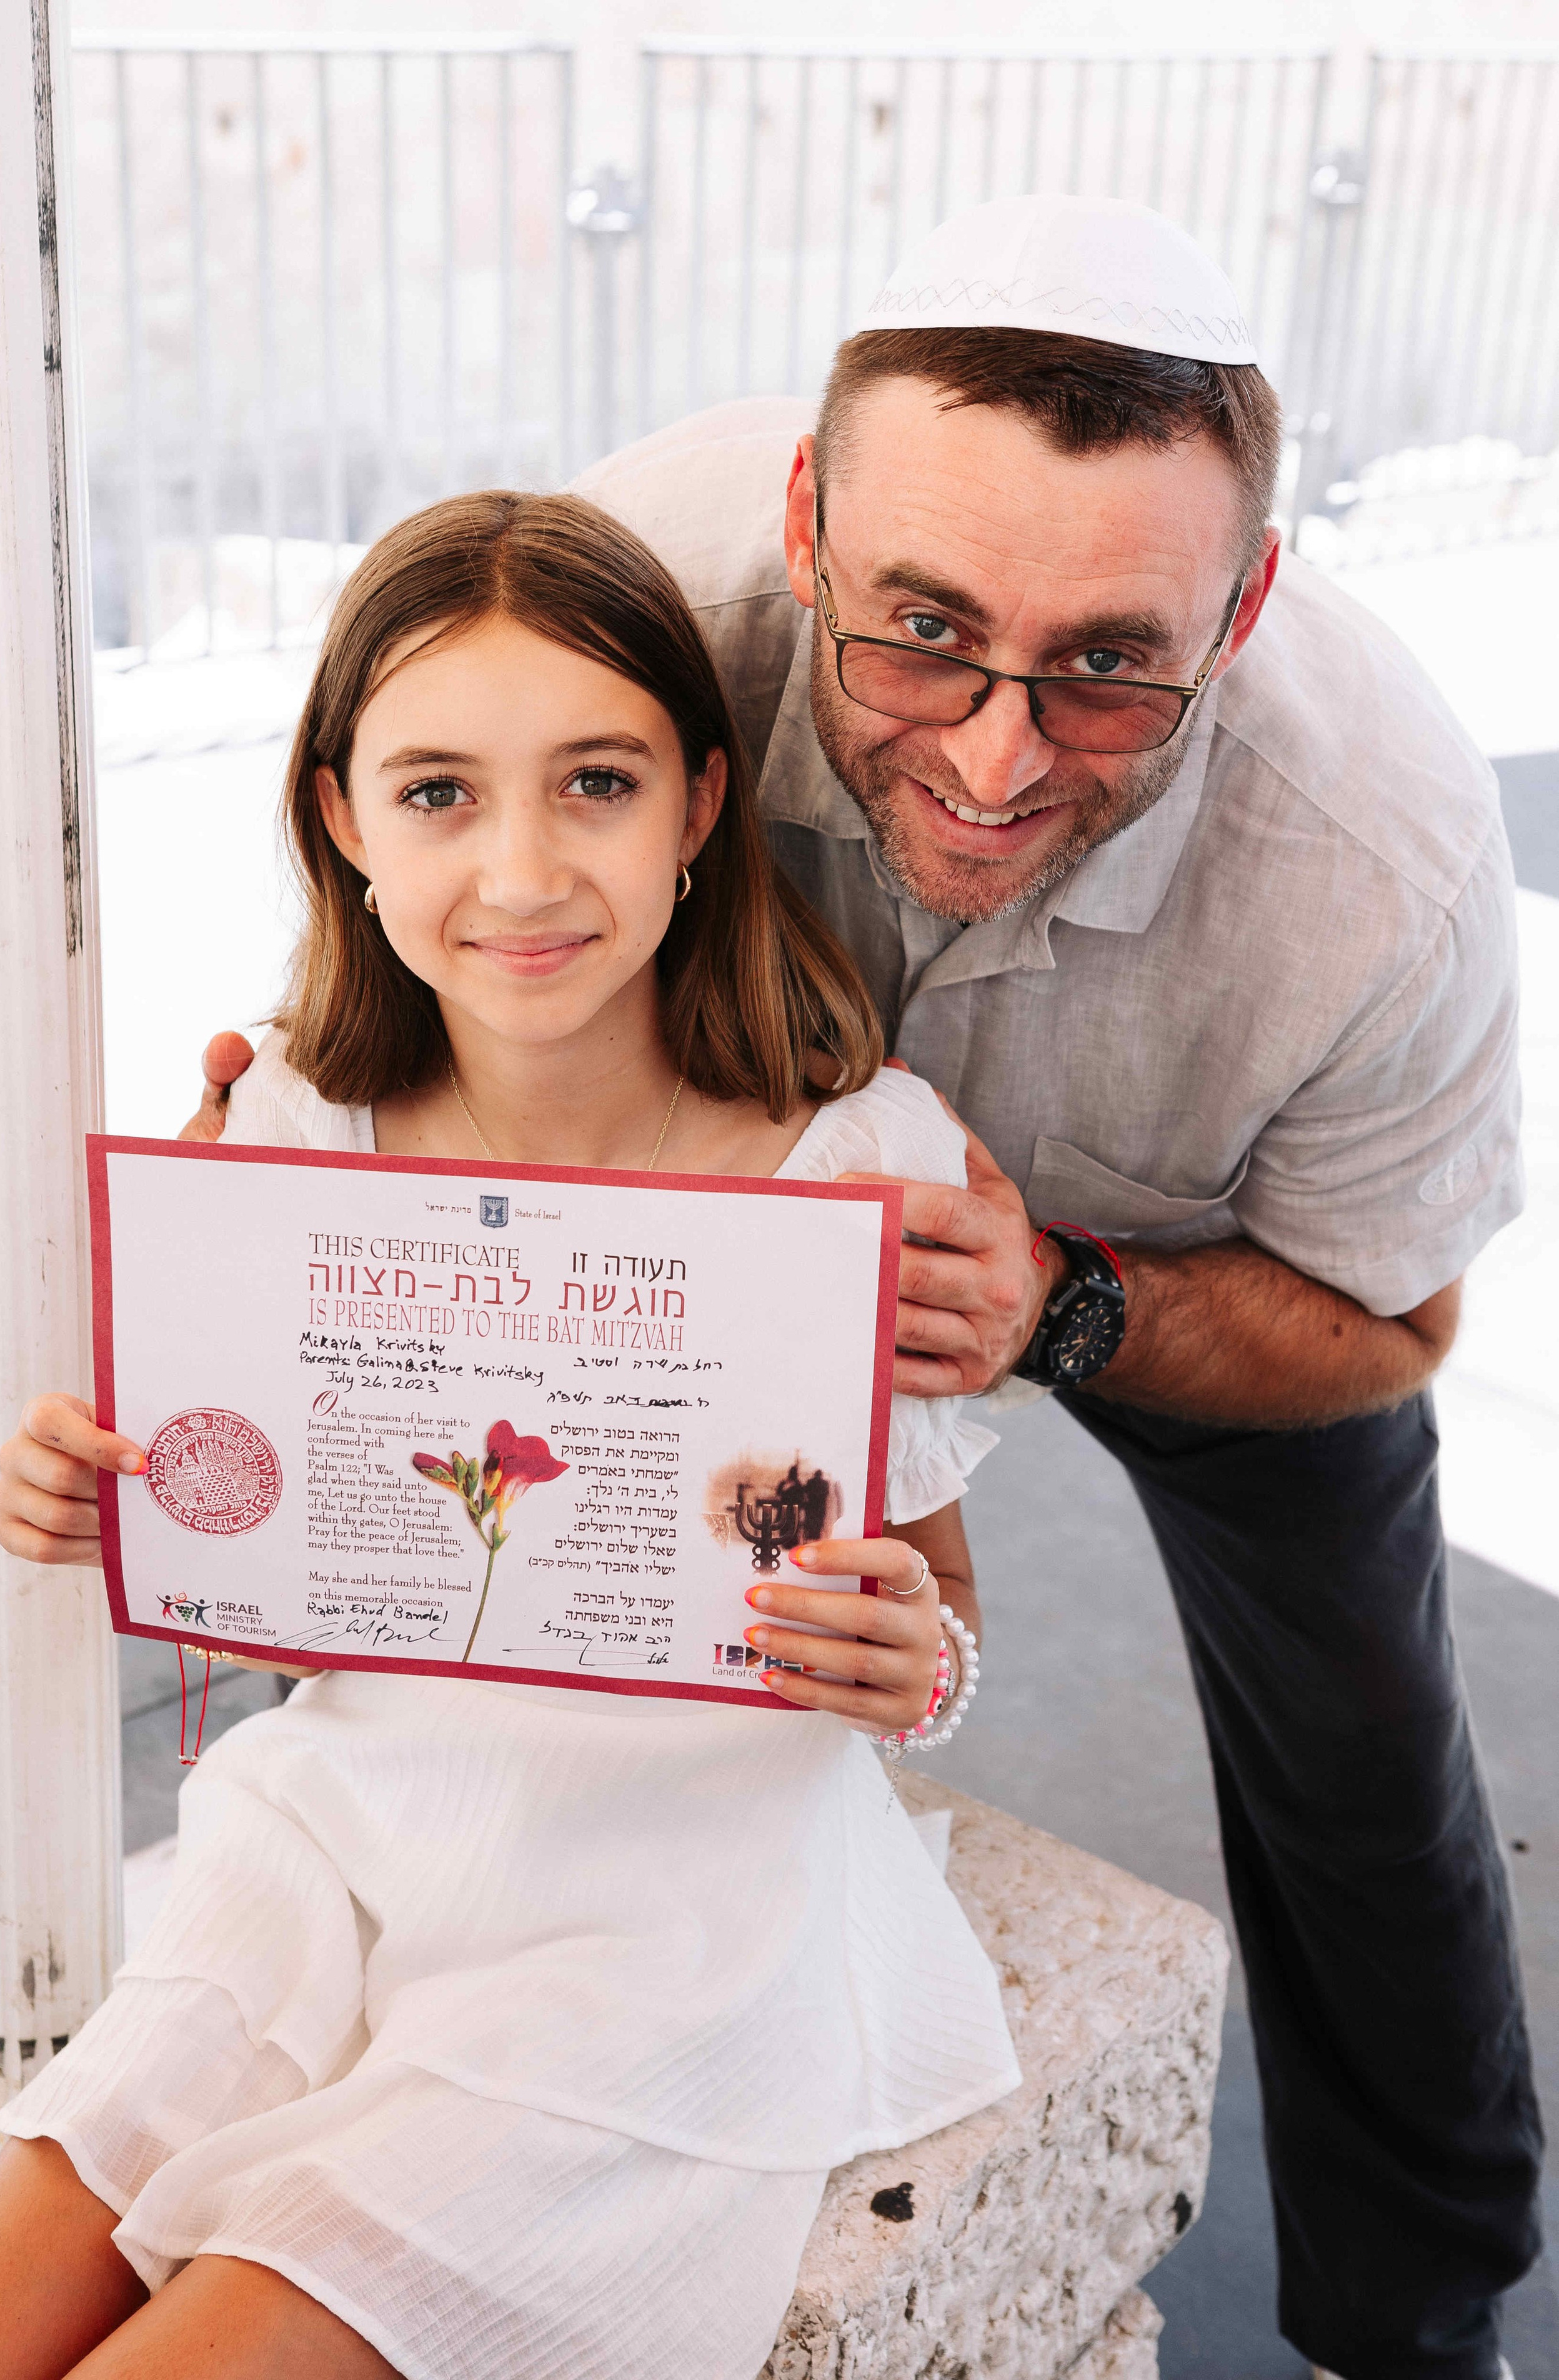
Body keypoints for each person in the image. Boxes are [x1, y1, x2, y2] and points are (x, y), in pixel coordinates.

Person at [184, 192, 1543, 2380]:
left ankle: (1429, 2303)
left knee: (1371, 1770)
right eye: (918, 635)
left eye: (1112, 665)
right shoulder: (642, 596)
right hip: (707, 1196)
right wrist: (321, 1134)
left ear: (1249, 600)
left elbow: (1400, 1328)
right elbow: (443, 872)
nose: (999, 761)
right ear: (807, 528)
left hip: (1173, 1255)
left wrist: (1071, 1304)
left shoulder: (1381, 862)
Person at [0, 491, 1019, 2380]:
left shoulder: (866, 1166)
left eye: (596, 783)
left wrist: (907, 1665)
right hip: (344, 1832)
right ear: (340, 820)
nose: (524, 870)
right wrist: (99, 1485)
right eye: (441, 791)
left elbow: (940, 1620)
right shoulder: (298, 1128)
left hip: (678, 1913)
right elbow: (269, 1563)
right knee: (4, 2281)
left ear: (701, 806)